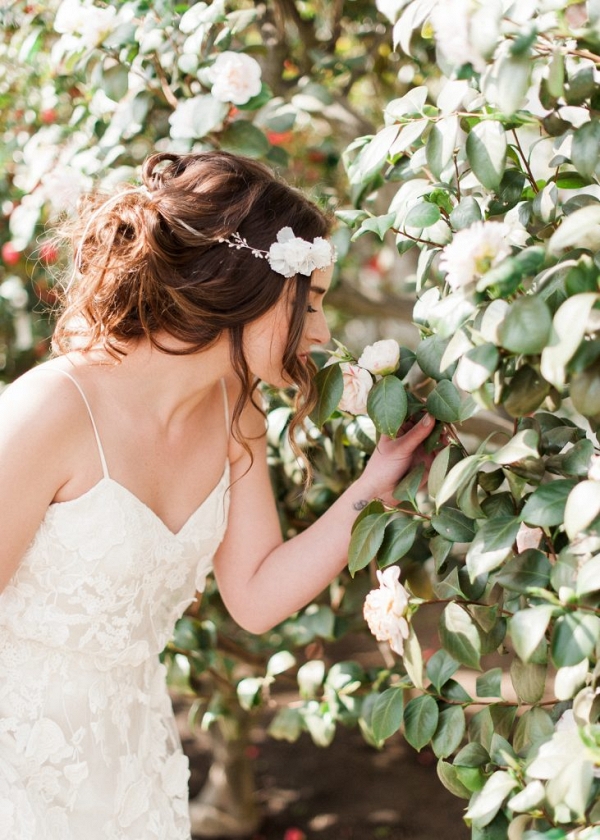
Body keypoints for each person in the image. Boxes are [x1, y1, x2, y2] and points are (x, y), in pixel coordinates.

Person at [0, 150, 434, 839]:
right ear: (247, 284)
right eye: (312, 301)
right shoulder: (51, 411)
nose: (321, 334)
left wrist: (375, 484)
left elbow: (257, 596)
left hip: (134, 772)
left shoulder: (237, 411)